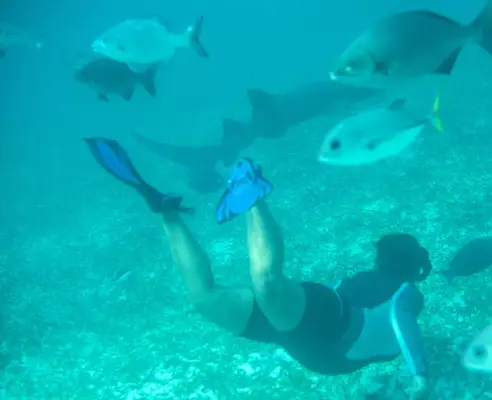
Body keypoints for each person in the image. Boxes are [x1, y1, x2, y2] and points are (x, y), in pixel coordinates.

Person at [84, 137, 433, 399]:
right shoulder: (408, 293)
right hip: (327, 328)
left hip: (304, 335)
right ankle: (252, 194)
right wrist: (419, 374)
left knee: (205, 299)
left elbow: (359, 301)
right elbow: (405, 328)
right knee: (267, 284)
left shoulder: (374, 283)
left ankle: (167, 214)